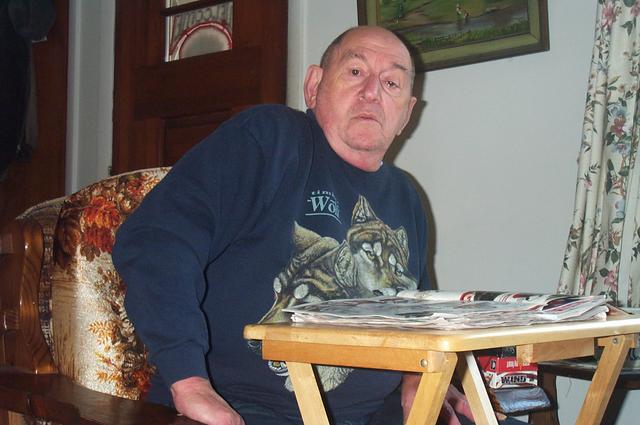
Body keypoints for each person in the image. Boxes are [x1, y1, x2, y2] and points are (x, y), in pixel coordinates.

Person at [113, 26, 522, 425]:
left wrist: (418, 379)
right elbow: (156, 241)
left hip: (377, 413)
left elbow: (415, 305)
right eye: (356, 71)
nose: (372, 92)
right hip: (246, 409)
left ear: (406, 114)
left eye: (392, 83)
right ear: (313, 86)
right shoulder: (269, 139)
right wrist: (188, 381)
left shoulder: (406, 195)